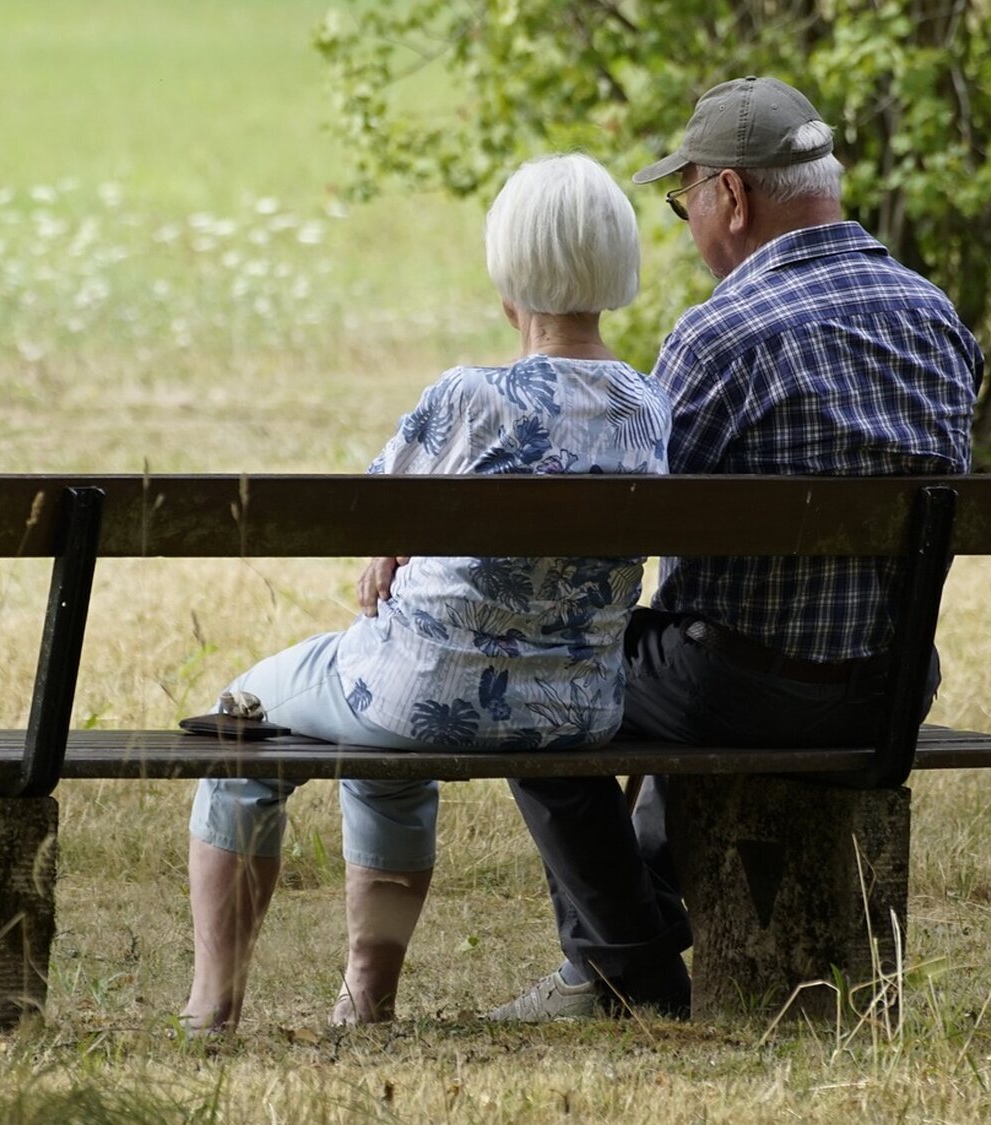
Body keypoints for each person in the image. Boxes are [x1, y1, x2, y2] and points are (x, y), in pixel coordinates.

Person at [487, 76, 983, 1021]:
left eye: (685, 205)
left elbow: (629, 528)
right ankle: (644, 922)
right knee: (693, 645)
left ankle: (625, 969)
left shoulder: (720, 336)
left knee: (535, 675)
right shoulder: (938, 319)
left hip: (744, 692)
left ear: (732, 196)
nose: (689, 226)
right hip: (890, 689)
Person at [181, 153, 672, 1034]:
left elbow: (369, 510)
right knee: (379, 747)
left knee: (239, 719)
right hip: (575, 709)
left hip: (421, 694)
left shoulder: (470, 399)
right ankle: (366, 998)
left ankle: (212, 1004)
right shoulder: (648, 406)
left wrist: (390, 546)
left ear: (508, 271)